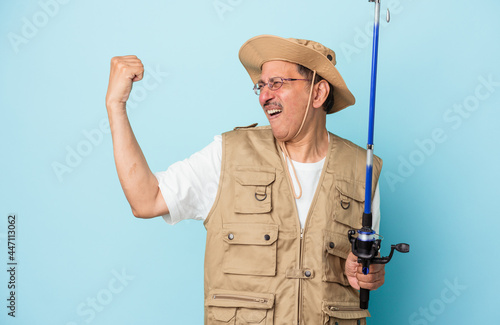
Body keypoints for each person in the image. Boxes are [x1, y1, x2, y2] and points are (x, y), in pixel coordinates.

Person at [105, 35, 385, 325]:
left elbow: (360, 269)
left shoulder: (362, 170)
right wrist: (116, 105)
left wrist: (365, 273)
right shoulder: (228, 155)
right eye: (261, 86)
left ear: (318, 93)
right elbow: (145, 200)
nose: (264, 96)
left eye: (277, 83)